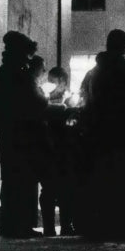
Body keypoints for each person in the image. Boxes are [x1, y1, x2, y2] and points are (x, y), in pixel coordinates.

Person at [78, 29, 125, 240]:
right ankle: (124, 225)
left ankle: (99, 225)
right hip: (124, 134)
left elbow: (83, 102)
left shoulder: (92, 74)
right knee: (123, 180)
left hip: (97, 134)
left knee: (100, 179)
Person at [0, 31, 46, 238]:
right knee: (22, 178)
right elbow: (35, 100)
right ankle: (18, 225)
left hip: (10, 133)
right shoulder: (18, 73)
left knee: (13, 177)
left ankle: (11, 223)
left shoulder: (5, 71)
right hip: (22, 135)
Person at [39, 66, 79, 236]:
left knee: (62, 188)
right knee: (53, 188)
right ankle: (54, 226)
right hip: (55, 147)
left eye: (54, 81)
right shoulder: (45, 98)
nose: (52, 84)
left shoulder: (70, 99)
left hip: (61, 147)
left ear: (63, 81)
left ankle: (63, 225)